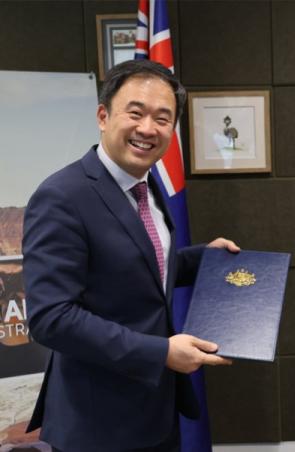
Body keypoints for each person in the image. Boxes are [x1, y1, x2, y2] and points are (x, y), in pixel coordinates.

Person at [22, 59, 237, 452]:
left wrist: (202, 258)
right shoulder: (62, 197)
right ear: (103, 116)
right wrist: (162, 352)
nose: (148, 129)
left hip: (156, 412)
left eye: (162, 118)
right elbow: (51, 318)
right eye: (135, 113)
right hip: (97, 424)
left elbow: (141, 266)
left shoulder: (146, 184)